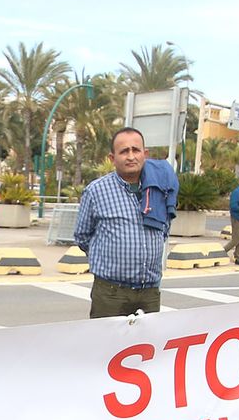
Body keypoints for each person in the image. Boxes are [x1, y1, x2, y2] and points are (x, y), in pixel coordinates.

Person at [74, 127, 172, 318]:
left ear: (145, 154)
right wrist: (108, 258)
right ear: (112, 158)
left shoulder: (161, 189)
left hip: (149, 293)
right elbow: (82, 236)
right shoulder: (96, 191)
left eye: (135, 150)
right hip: (111, 294)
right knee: (106, 346)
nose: (130, 156)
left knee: (147, 346)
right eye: (124, 151)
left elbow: (165, 228)